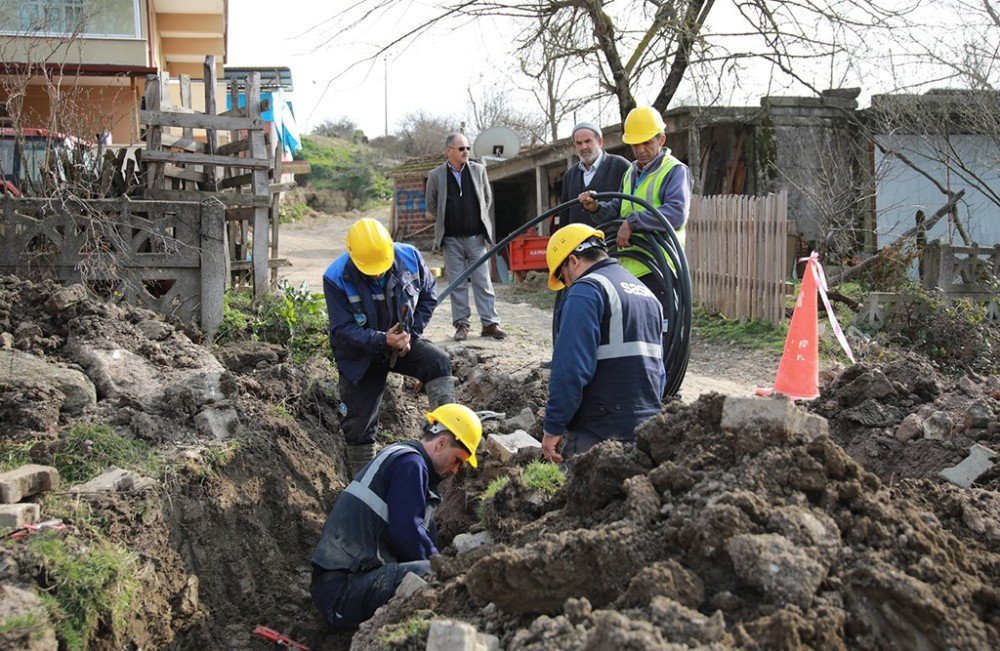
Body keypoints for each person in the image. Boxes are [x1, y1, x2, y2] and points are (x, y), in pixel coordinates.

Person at [311, 404, 482, 630]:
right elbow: (406, 532)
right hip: (342, 594)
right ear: (441, 443)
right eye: (458, 460)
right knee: (431, 576)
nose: (455, 470)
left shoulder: (404, 457)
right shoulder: (410, 465)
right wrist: (443, 569)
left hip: (343, 586)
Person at [323, 218, 457, 475]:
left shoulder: (410, 257)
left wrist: (410, 333)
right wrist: (382, 339)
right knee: (359, 425)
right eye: (370, 270)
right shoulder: (336, 277)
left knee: (437, 361)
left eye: (381, 267)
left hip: (401, 343)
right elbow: (342, 330)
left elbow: (429, 294)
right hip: (361, 355)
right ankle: (362, 481)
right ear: (353, 257)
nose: (377, 274)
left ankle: (448, 441)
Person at [541, 224, 666, 462]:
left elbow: (570, 369)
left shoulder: (586, 291)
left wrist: (553, 427)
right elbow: (659, 372)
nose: (566, 285)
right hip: (646, 431)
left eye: (563, 277)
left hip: (598, 431)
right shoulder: (647, 294)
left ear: (573, 261)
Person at [578, 106, 692, 304]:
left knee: (663, 330)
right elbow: (620, 207)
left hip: (659, 267)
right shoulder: (631, 171)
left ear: (661, 139)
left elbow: (676, 213)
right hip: (630, 267)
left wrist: (633, 223)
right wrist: (597, 207)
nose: (639, 150)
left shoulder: (674, 171)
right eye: (634, 145)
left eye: (646, 143)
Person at [425, 132, 506, 342]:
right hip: (451, 240)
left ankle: (489, 323)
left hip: (476, 238)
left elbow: (486, 199)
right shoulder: (436, 175)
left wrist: (473, 218)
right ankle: (462, 324)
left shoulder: (479, 171)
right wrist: (447, 219)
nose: (466, 152)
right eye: (461, 149)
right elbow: (431, 205)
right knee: (457, 283)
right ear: (449, 151)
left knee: (483, 281)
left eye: (467, 148)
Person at [558, 122, 630, 229]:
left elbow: (630, 207)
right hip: (580, 243)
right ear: (574, 146)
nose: (584, 147)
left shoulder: (620, 166)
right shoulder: (570, 176)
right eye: (579, 143)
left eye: (588, 141)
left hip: (612, 242)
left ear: (600, 141)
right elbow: (565, 216)